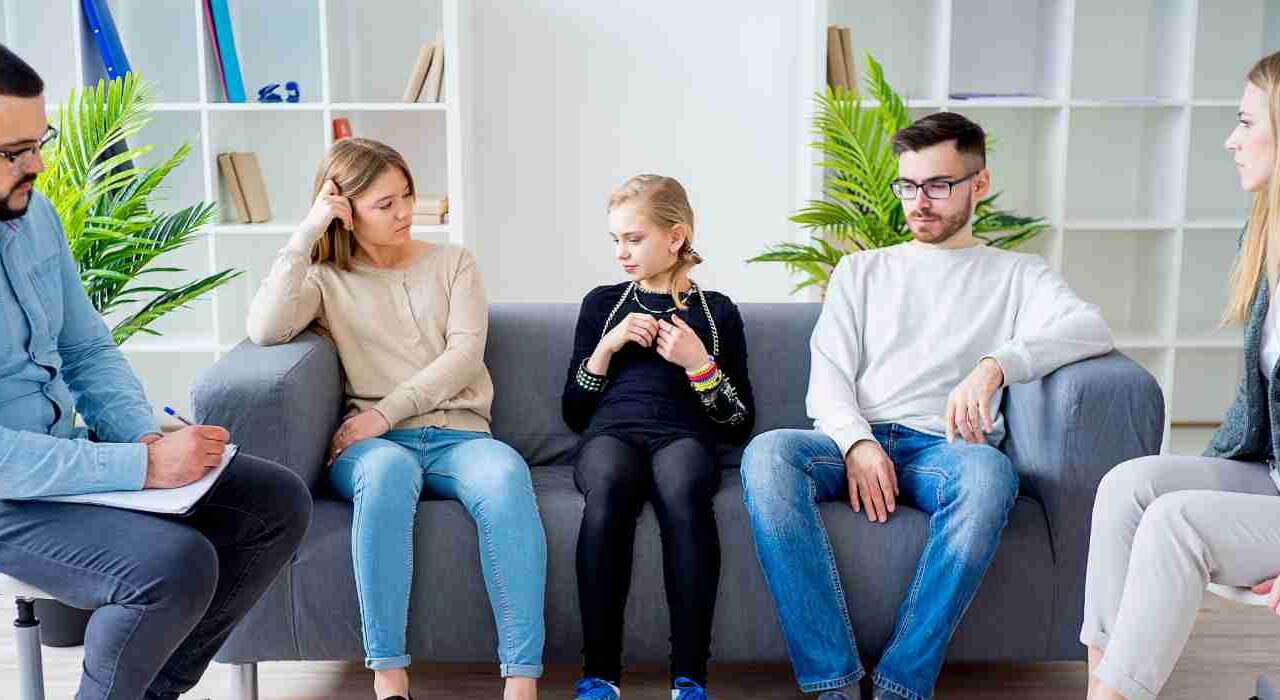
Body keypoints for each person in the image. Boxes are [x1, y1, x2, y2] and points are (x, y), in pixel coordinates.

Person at [740, 112, 1114, 700]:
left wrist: (996, 366)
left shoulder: (1016, 275)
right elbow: (829, 377)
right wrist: (857, 442)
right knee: (767, 455)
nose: (919, 202)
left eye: (938, 185)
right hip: (852, 444)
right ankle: (832, 683)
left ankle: (901, 683)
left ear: (978, 184)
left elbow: (1090, 327)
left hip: (948, 452)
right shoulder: (862, 271)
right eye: (908, 186)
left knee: (991, 474)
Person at [0, 42, 312, 700]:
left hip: (64, 453)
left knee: (274, 503)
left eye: (40, 140)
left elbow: (85, 348)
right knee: (173, 566)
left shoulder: (37, 219)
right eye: (12, 153)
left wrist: (142, 437)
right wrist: (142, 468)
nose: (38, 164)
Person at [246, 137, 546, 700]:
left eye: (406, 196)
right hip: (374, 448)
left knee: (507, 478)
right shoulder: (325, 279)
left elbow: (463, 357)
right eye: (385, 204)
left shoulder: (454, 263)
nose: (405, 212)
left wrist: (386, 413)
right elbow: (265, 328)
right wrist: (305, 234)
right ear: (345, 209)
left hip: (458, 433)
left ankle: (521, 681)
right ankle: (389, 679)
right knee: (386, 477)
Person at [1082, 50, 1280, 700]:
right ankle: (1100, 693)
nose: (1231, 139)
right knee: (1130, 486)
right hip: (1270, 474)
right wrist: (1201, 478)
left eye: (1247, 122)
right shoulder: (1265, 240)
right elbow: (1254, 410)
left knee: (1178, 523)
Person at [563, 174, 755, 700]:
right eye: (616, 241)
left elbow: (739, 422)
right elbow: (575, 413)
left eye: (634, 238)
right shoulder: (602, 304)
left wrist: (699, 364)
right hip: (611, 434)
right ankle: (600, 675)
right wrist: (606, 348)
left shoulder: (717, 312)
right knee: (608, 486)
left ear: (676, 237)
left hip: (683, 436)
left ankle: (689, 677)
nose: (622, 252)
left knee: (684, 489)